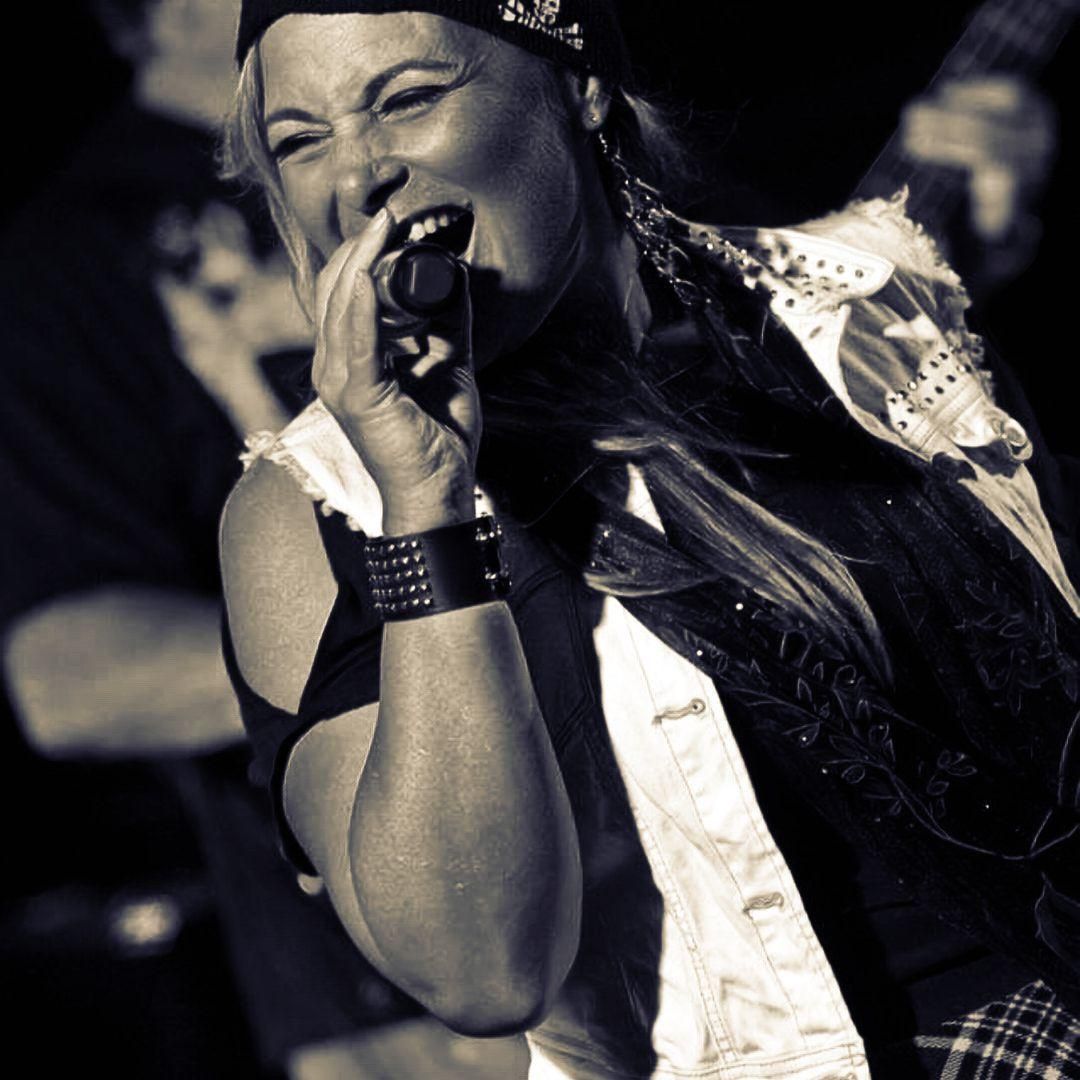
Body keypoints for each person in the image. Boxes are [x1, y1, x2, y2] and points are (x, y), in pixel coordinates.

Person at [219, 2, 1080, 1077]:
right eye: (301, 141)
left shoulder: (860, 295)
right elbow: (482, 974)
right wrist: (426, 502)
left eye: (409, 99)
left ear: (578, 86)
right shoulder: (318, 498)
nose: (358, 175)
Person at [0, 0, 474, 1075]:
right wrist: (442, 623)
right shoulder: (75, 260)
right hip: (402, 991)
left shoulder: (435, 148)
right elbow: (71, 679)